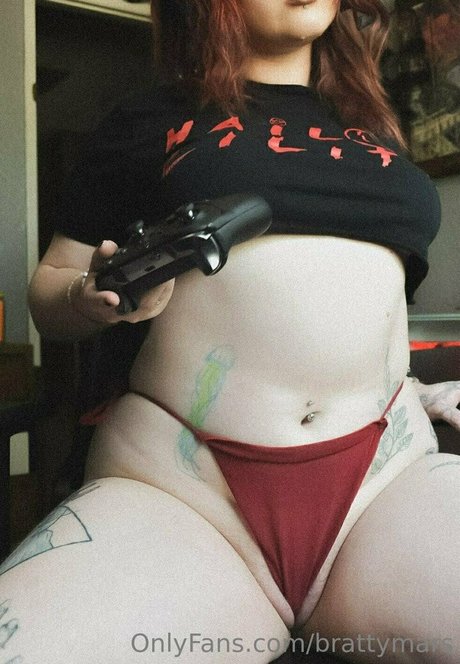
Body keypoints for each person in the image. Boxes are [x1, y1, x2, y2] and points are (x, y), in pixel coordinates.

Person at [2, 0, 460, 662]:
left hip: (383, 487)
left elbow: (367, 307)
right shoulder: (148, 119)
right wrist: (89, 296)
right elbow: (51, 286)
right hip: (186, 496)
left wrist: (417, 385)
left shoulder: (374, 129)